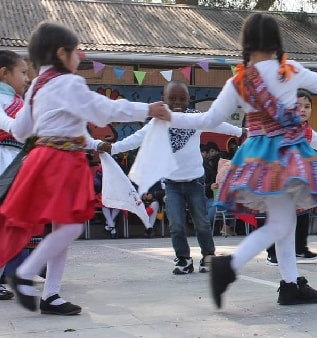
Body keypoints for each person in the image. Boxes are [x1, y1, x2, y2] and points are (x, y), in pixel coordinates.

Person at [168, 14, 317, 308]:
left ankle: (290, 283)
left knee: (285, 221)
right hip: (287, 156)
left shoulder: (238, 81)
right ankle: (228, 266)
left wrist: (168, 115)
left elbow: (209, 119)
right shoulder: (288, 71)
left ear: (246, 43)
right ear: (276, 41)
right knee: (282, 222)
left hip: (256, 157)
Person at [0, 22, 170, 314]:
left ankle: (51, 294)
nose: (80, 56)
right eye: (76, 51)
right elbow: (102, 109)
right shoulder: (69, 82)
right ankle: (26, 273)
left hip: (42, 158)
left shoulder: (35, 88)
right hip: (61, 161)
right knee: (71, 225)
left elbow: (20, 130)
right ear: (61, 53)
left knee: (61, 228)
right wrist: (147, 110)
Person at [108, 81, 243, 274]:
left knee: (202, 222)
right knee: (176, 224)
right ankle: (183, 259)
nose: (177, 102)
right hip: (171, 183)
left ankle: (208, 256)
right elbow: (136, 138)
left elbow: (217, 125)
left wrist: (240, 131)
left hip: (195, 181)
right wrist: (113, 148)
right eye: (172, 98)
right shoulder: (158, 123)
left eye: (182, 98)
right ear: (163, 100)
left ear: (189, 100)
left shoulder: (195, 119)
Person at [266, 89, 317, 266]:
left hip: (297, 180)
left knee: (302, 212)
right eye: (298, 106)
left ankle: (300, 249)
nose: (303, 109)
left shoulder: (308, 132)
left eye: (307, 106)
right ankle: (272, 253)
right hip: (277, 178)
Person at [0, 50, 29, 301]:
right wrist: (13, 126)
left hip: (16, 160)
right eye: (22, 72)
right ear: (4, 73)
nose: (26, 78)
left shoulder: (20, 100)